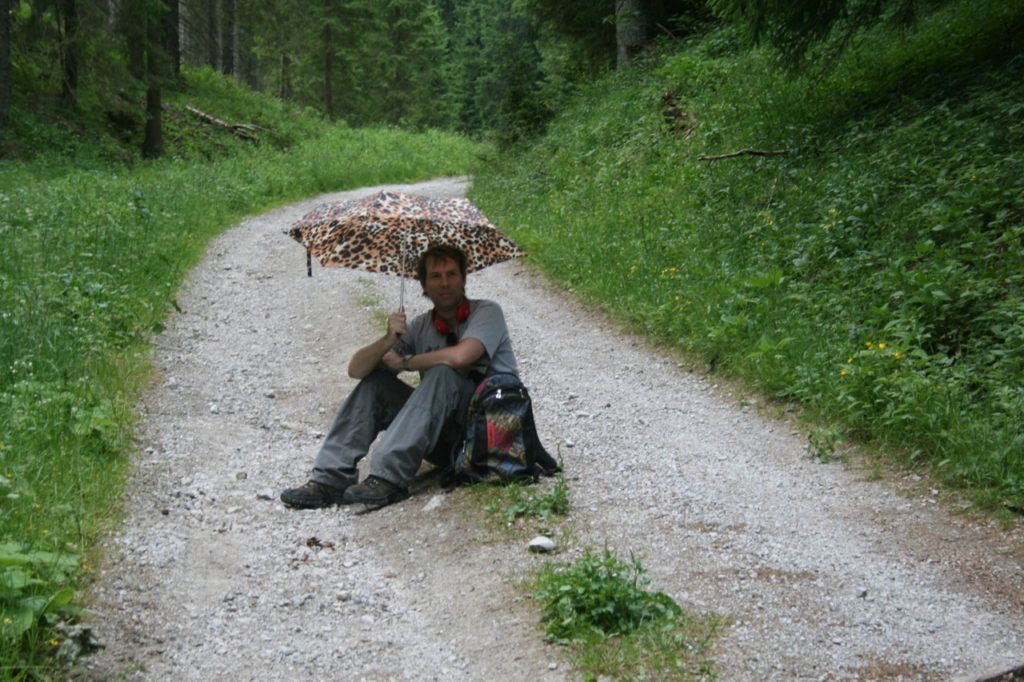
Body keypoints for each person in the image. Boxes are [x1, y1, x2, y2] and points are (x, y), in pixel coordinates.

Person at [280, 243, 520, 509]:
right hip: (446, 440)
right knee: (376, 384)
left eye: (452, 274)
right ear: (423, 285)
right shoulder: (419, 327)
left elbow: (461, 357)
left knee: (443, 373)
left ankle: (388, 477)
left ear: (464, 278)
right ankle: (330, 478)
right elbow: (356, 370)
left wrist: (405, 362)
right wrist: (387, 340)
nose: (445, 283)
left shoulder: (488, 312)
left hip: (488, 436)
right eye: (436, 276)